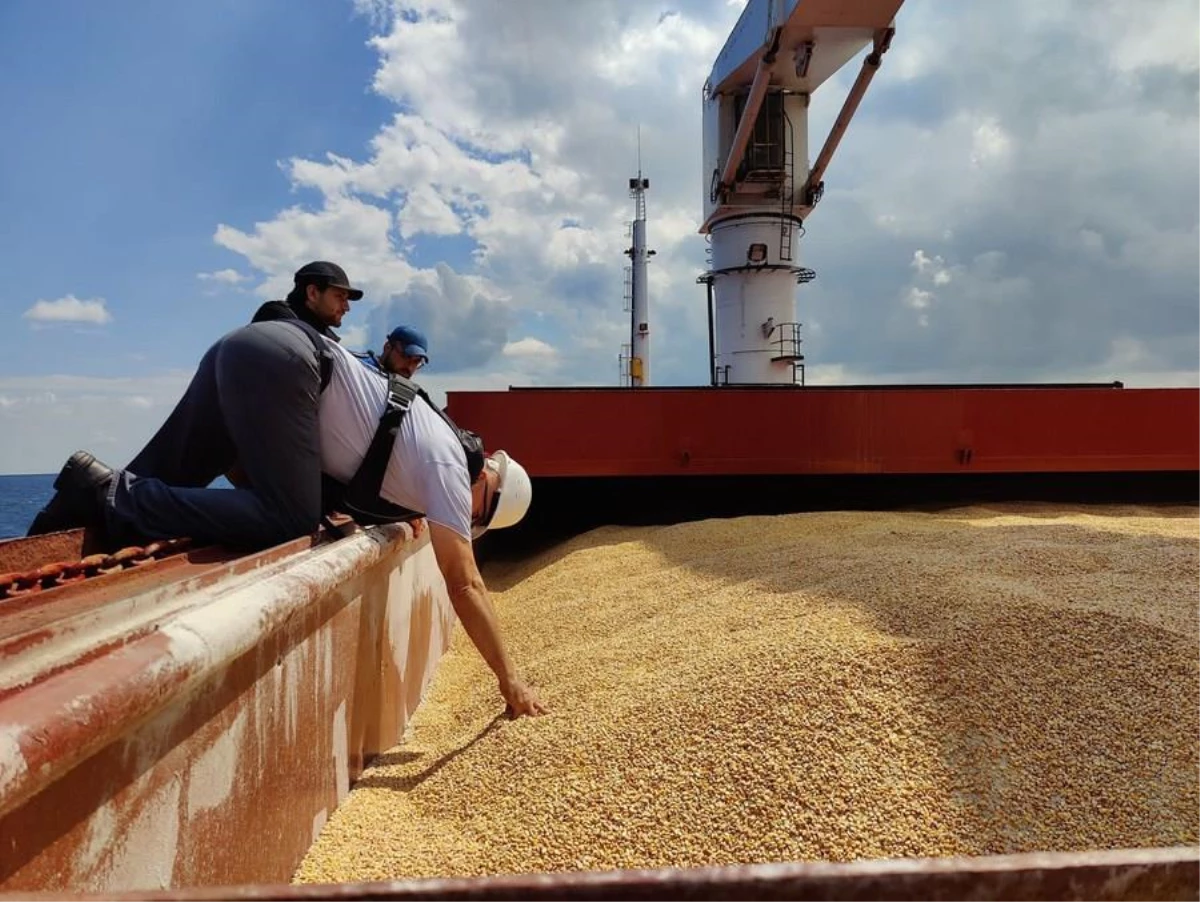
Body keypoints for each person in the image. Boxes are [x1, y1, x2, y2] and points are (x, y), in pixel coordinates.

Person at [26, 314, 546, 718]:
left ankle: (81, 508)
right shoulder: (452, 466)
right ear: (487, 488)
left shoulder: (430, 441)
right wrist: (510, 679)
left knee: (172, 474)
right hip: (289, 365)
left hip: (253, 347)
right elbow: (466, 584)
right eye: (478, 519)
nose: (466, 522)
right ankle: (104, 488)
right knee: (287, 518)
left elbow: (365, 461)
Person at [252, 260, 363, 340]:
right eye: (340, 297)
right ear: (313, 293)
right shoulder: (276, 319)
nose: (346, 308)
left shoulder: (323, 335)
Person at [355, 325, 429, 378]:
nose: (409, 366)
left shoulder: (406, 391)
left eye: (416, 361)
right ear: (387, 347)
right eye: (406, 356)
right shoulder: (358, 368)